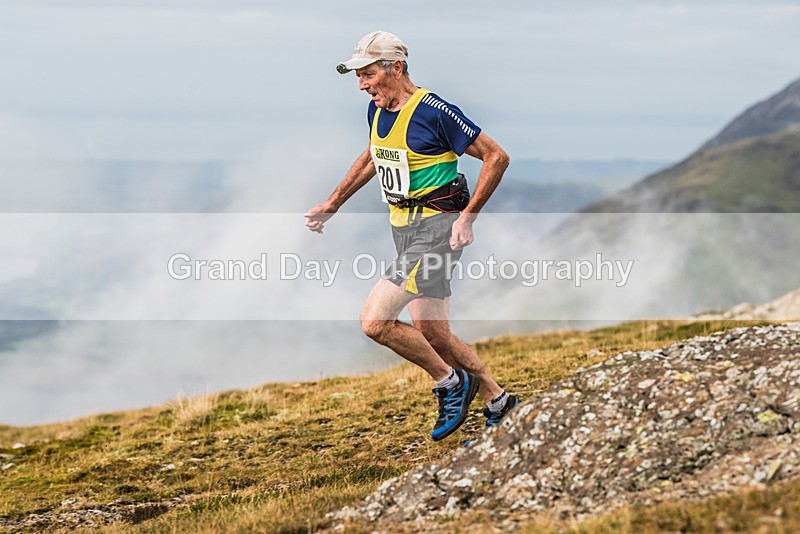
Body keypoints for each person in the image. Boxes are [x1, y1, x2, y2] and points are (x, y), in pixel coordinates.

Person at [305, 30, 518, 441]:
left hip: (436, 228)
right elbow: (373, 156)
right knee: (435, 333)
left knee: (375, 322)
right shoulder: (378, 110)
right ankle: (500, 404)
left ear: (395, 68)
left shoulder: (434, 110)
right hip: (404, 230)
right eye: (358, 77)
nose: (362, 85)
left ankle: (449, 383)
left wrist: (468, 217)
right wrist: (334, 203)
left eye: (367, 75)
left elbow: (496, 156)